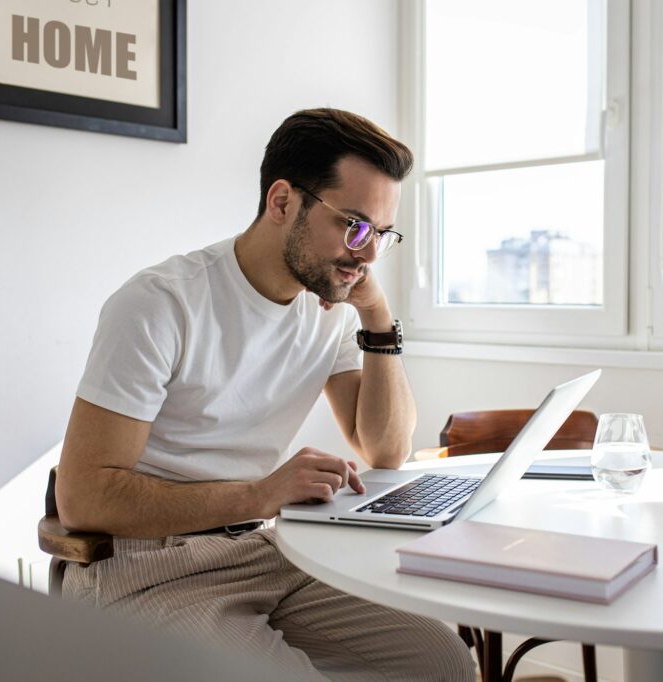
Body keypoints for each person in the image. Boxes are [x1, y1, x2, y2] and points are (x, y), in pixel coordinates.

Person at [55, 108, 476, 681]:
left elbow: (386, 450)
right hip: (145, 565)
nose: (369, 254)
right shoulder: (160, 304)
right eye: (354, 225)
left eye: (381, 233)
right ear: (282, 203)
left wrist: (377, 317)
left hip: (265, 552)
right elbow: (84, 499)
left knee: (444, 663)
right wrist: (260, 495)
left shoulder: (329, 309)